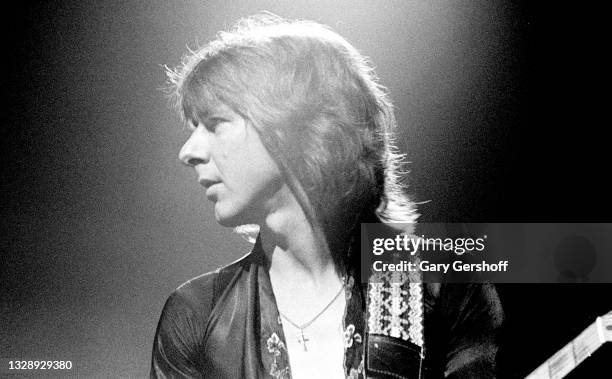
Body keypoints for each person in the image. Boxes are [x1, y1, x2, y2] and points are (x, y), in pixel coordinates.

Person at [151, 13, 503, 379]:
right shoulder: (195, 315)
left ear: (292, 127)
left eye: (214, 123)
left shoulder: (438, 282)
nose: (188, 151)